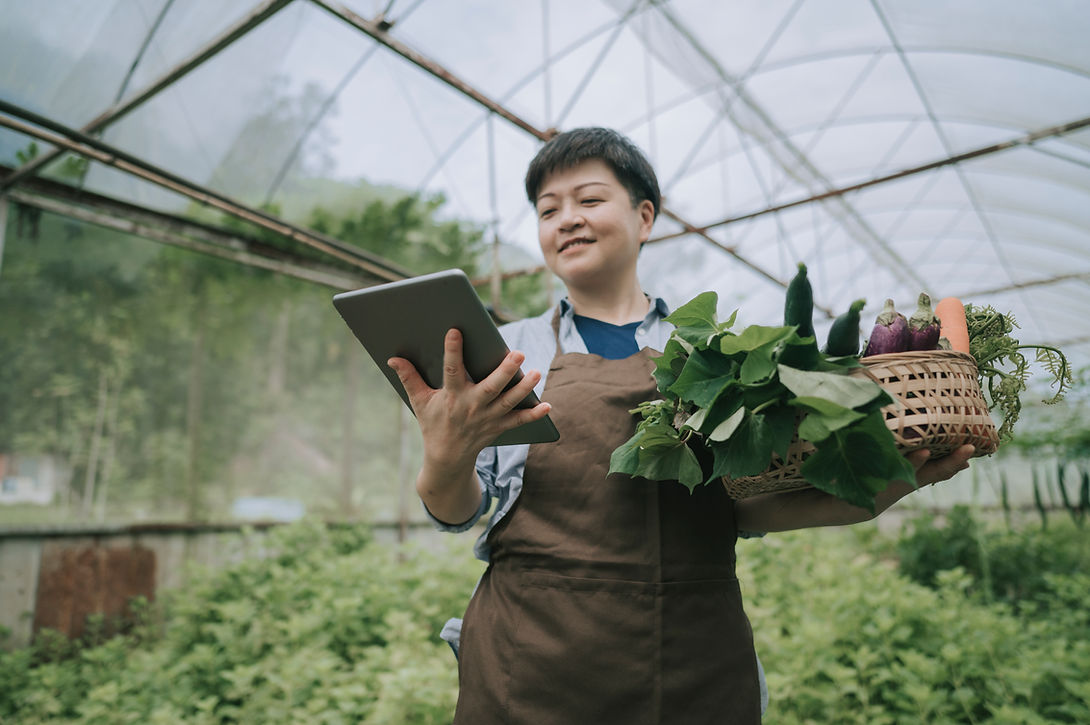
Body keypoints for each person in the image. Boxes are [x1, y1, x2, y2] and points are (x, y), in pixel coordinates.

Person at [387, 127, 975, 724]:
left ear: (644, 217)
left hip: (691, 662)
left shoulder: (713, 351)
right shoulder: (505, 354)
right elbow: (456, 511)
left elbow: (741, 508)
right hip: (530, 663)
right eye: (547, 210)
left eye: (589, 201)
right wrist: (446, 452)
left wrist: (886, 487)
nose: (566, 220)